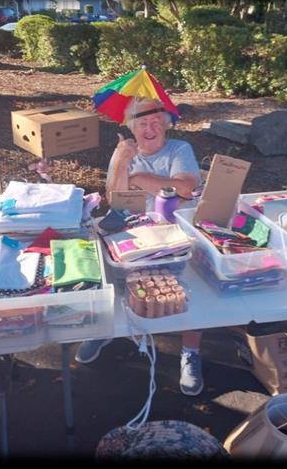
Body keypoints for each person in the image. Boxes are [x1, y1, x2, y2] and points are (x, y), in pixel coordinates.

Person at [75, 97, 204, 396]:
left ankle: (191, 351)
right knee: (113, 280)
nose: (150, 128)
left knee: (191, 290)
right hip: (133, 230)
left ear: (167, 125)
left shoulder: (179, 149)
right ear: (132, 128)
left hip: (174, 231)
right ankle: (104, 331)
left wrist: (137, 178)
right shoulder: (123, 152)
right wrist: (122, 161)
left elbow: (185, 188)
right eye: (142, 123)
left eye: (156, 122)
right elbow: (115, 199)